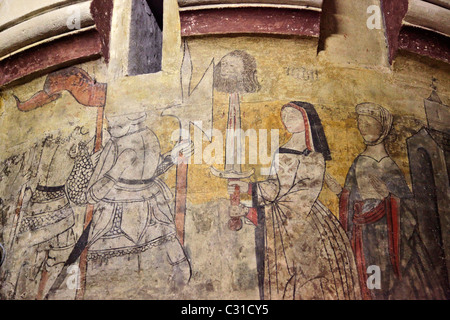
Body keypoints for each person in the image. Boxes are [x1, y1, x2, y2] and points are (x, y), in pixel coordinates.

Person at [229, 102, 361, 300]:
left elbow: (302, 195)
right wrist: (248, 187)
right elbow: (275, 186)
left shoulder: (314, 156)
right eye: (285, 116)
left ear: (306, 120)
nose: (287, 120)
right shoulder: (281, 150)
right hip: (280, 223)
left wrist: (253, 212)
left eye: (293, 116)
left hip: (304, 221)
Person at [325, 102, 447, 300]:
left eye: (369, 124)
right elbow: (351, 198)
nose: (363, 128)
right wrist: (340, 192)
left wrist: (388, 197)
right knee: (367, 278)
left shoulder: (390, 165)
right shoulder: (358, 161)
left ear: (382, 128)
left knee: (386, 280)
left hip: (386, 235)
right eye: (360, 123)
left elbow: (410, 208)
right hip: (362, 232)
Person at [83, 112, 193, 296]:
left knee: (173, 266)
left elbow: (94, 194)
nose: (109, 127)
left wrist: (171, 158)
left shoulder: (135, 139)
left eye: (114, 123)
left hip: (136, 213)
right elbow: (92, 195)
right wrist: (119, 168)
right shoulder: (134, 139)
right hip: (133, 211)